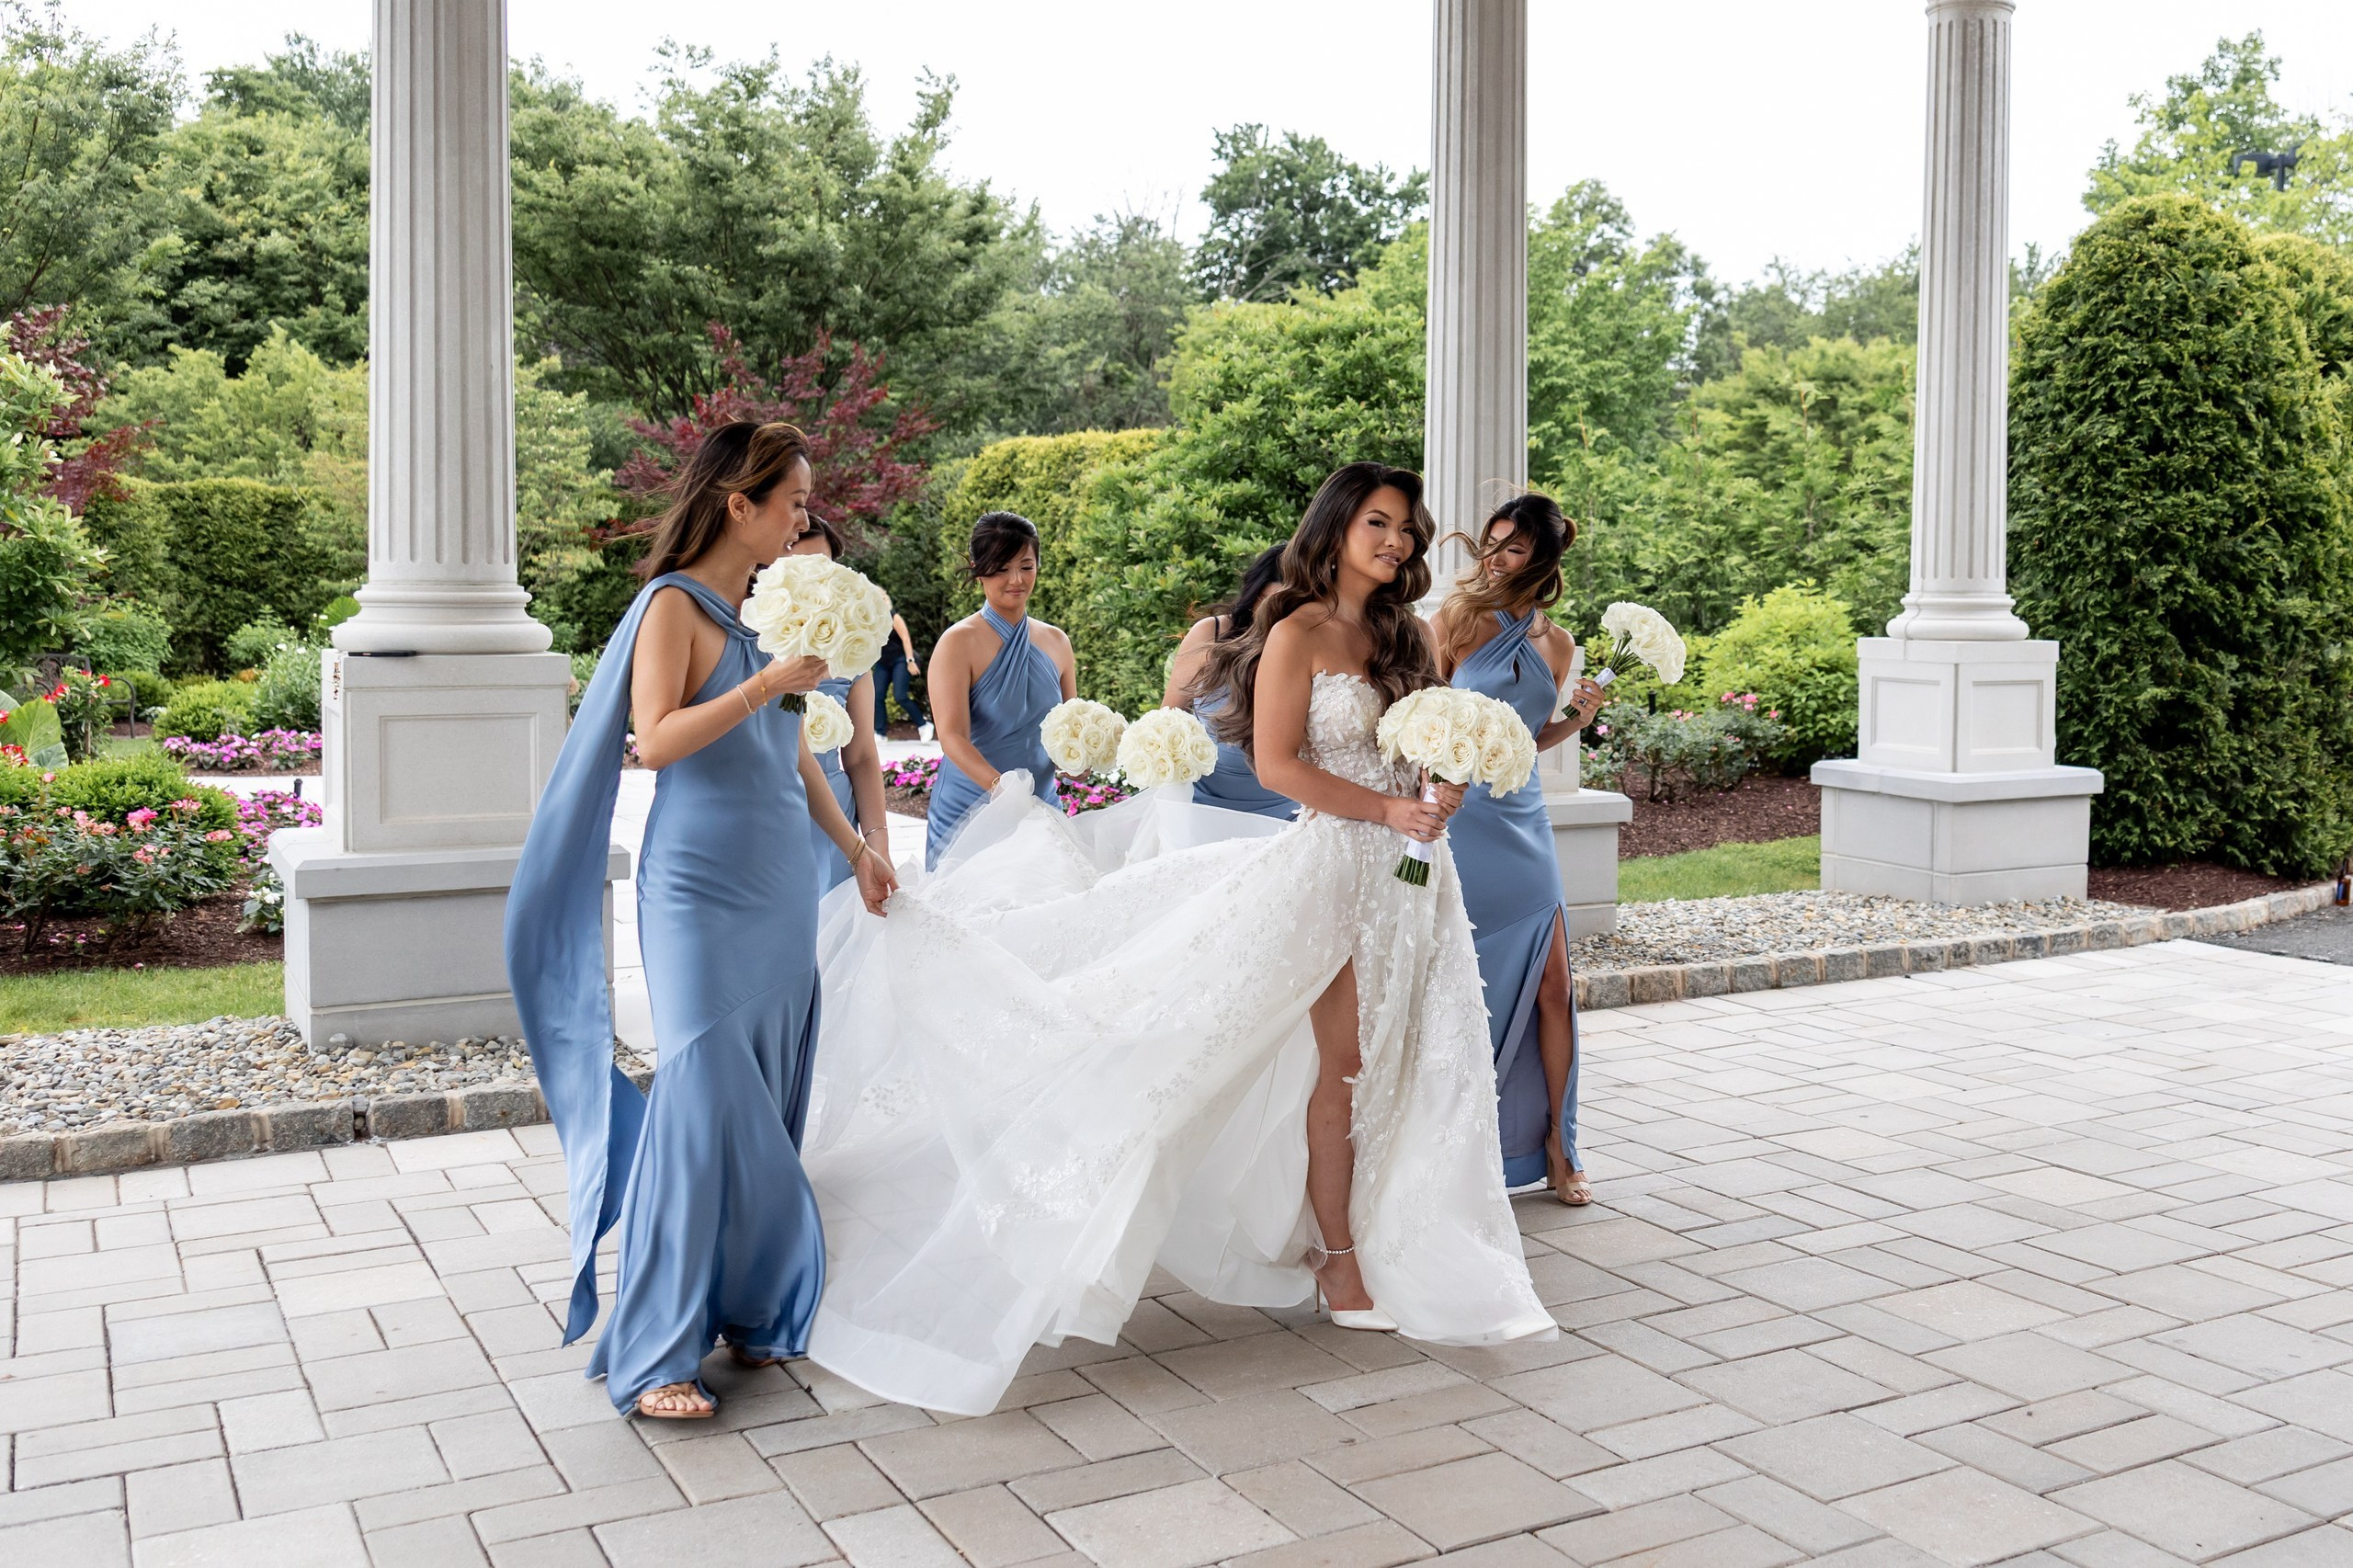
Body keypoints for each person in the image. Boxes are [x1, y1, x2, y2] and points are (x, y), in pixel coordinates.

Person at [799, 461, 1553, 1417]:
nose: (1396, 540)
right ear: (1336, 526)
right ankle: (1340, 1257)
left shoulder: (1404, 633)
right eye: (1377, 521)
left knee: (1412, 1057)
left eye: (1406, 526)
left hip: (1412, 880)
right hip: (1333, 866)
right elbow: (1279, 763)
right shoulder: (1296, 630)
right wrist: (1387, 807)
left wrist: (1442, 784)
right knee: (1343, 1064)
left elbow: (1417, 745)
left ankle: (1405, 1222)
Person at [505, 420, 894, 1421]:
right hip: (694, 886)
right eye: (794, 500)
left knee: (759, 1096)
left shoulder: (759, 609)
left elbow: (792, 751)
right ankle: (654, 1351)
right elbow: (658, 738)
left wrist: (856, 850)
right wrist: (768, 680)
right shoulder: (672, 605)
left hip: (776, 882)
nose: (804, 518)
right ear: (739, 503)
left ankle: (747, 1306)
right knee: (702, 1095)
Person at [1432, 493, 1608, 1207]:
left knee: (1555, 988)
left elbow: (1528, 739)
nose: (1495, 558)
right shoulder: (1458, 620)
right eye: (1491, 544)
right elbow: (1422, 714)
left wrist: (1580, 717)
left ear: (1544, 558)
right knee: (1460, 988)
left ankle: (1560, 1149)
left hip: (1524, 822)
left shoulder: (1558, 644)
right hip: (1461, 818)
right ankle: (1459, 1143)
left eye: (1512, 547)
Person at [920, 511, 1075, 868]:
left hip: (1041, 807)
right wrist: (1001, 788)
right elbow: (952, 737)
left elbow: (1070, 728)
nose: (1016, 579)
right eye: (1002, 568)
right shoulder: (957, 643)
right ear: (978, 568)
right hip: (971, 806)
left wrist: (1076, 761)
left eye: (1026, 566)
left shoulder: (1057, 641)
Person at [785, 516, 892, 892]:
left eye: (824, 568)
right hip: (773, 813)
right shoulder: (752, 643)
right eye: (799, 567)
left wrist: (877, 840)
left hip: (837, 819)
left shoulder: (853, 647)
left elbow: (861, 755)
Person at [1162, 545, 1299, 820]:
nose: (1278, 616)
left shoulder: (1310, 647)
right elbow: (1166, 720)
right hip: (1202, 805)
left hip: (1286, 813)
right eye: (1270, 602)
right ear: (1254, 594)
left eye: (1291, 606)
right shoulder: (1211, 633)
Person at [874, 608, 927, 737]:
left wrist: (910, 661)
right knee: (877, 696)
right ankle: (880, 733)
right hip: (882, 662)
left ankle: (923, 725)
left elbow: (906, 638)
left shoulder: (893, 616)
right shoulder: (868, 620)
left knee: (900, 695)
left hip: (901, 659)